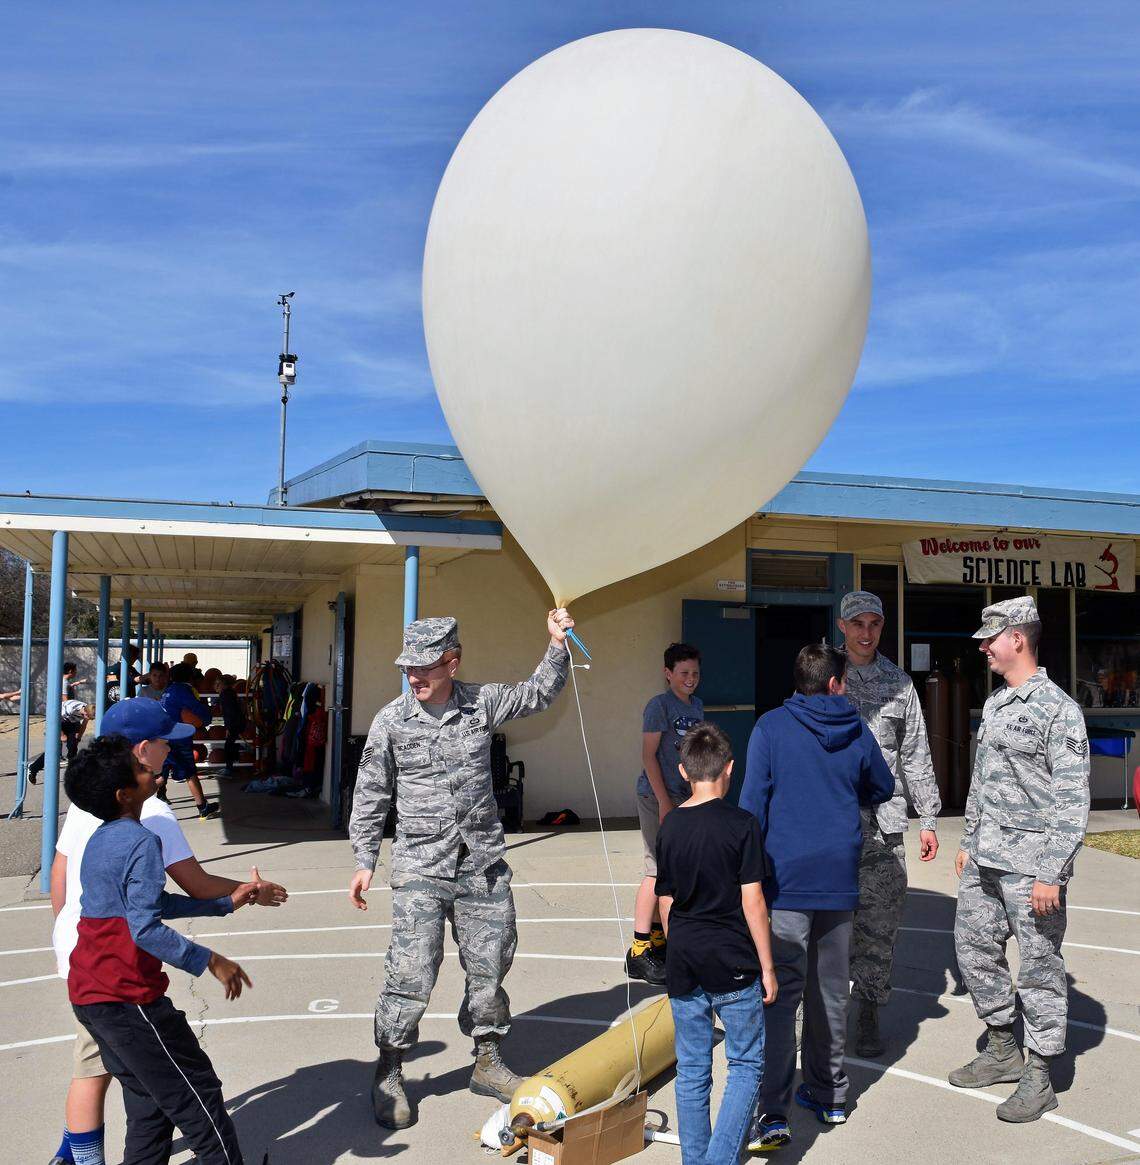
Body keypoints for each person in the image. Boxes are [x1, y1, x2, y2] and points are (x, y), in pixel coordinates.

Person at [348, 610, 574, 1130]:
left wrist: (557, 644)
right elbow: (372, 790)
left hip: (481, 864)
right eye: (408, 669)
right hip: (421, 864)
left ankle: (488, 1060)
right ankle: (389, 1069)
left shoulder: (481, 703)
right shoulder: (391, 720)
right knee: (412, 972)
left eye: (425, 668)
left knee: (491, 964)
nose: (415, 678)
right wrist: (364, 858)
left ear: (453, 662)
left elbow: (538, 692)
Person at [49, 699, 287, 1165]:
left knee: (148, 1108)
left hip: (92, 990)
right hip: (126, 995)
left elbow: (148, 903)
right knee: (195, 1094)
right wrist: (211, 961)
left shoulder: (100, 836)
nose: (151, 774)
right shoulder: (140, 839)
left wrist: (223, 903)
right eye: (138, 771)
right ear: (123, 793)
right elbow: (143, 928)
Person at [739, 644, 893, 1150]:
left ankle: (775, 1111)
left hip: (784, 881)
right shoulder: (856, 729)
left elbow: (751, 806)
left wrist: (747, 879)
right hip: (838, 877)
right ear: (834, 683)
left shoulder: (770, 728)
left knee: (780, 997)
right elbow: (883, 786)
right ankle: (830, 1095)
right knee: (830, 992)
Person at [950, 597, 1090, 1123]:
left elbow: (1072, 800)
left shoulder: (1059, 710)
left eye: (991, 638)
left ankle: (1040, 1074)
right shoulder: (995, 704)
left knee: (1038, 968)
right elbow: (981, 782)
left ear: (1018, 639)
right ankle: (1003, 1048)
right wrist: (967, 840)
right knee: (973, 951)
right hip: (986, 857)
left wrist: (1052, 872)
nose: (984, 647)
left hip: (1033, 867)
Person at [655, 723, 777, 1165]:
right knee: (744, 1066)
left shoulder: (670, 826)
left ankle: (697, 1159)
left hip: (685, 959)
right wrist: (767, 966)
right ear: (729, 768)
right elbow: (753, 900)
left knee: (691, 1070)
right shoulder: (742, 825)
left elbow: (664, 899)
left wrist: (678, 945)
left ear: (683, 772)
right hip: (732, 959)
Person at [836, 591, 941, 1056]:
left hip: (884, 824)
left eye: (874, 624)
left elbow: (916, 752)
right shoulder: (824, 676)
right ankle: (821, 1014)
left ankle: (869, 1012)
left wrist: (930, 817)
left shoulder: (899, 684)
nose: (866, 632)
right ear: (842, 626)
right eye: (857, 623)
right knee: (826, 923)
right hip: (831, 822)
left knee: (880, 924)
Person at [628, 642, 703, 986]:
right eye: (683, 673)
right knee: (657, 870)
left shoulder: (697, 706)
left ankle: (660, 940)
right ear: (668, 673)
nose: (690, 679)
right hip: (657, 796)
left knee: (676, 871)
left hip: (685, 796)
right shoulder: (658, 706)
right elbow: (649, 756)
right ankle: (639, 950)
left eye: (695, 673)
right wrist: (663, 802)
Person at [161, 662, 218, 819]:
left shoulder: (168, 690)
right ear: (191, 678)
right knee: (189, 773)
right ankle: (202, 807)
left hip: (164, 737)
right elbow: (197, 710)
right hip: (177, 738)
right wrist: (207, 718)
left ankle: (147, 801)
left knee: (161, 774)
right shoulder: (184, 691)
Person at [218, 674, 248, 776]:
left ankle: (229, 769)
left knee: (228, 746)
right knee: (233, 744)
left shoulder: (225, 695)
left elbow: (229, 713)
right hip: (237, 721)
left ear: (223, 684)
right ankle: (232, 766)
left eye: (219, 683)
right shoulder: (230, 693)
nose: (217, 685)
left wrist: (228, 727)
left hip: (234, 723)